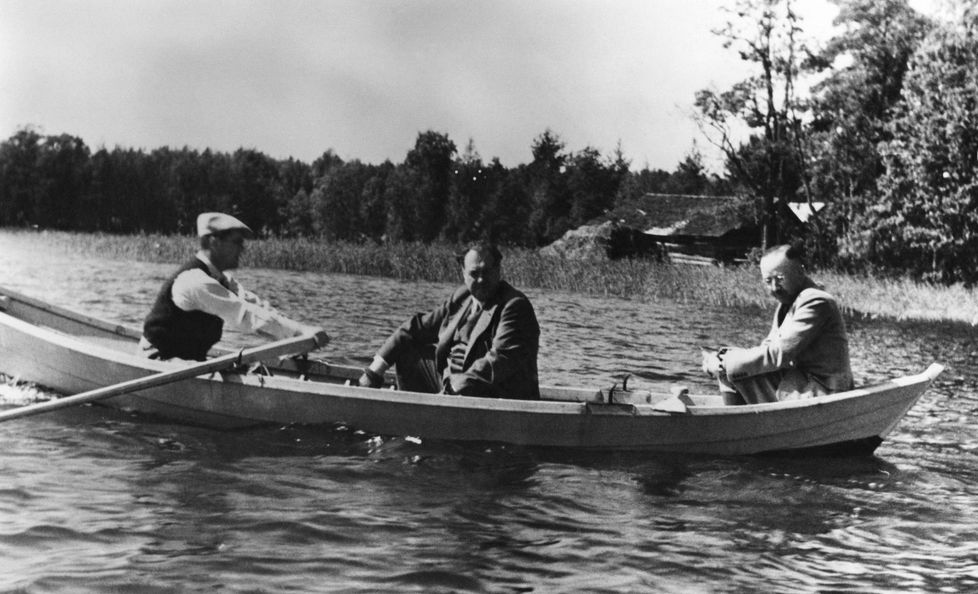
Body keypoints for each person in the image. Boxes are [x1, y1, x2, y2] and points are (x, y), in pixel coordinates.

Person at [358, 242, 540, 399]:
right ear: (463, 272)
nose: (481, 279)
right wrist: (375, 370)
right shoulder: (462, 297)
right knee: (406, 350)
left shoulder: (514, 306)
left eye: (487, 271)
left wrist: (448, 393)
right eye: (474, 273)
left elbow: (498, 362)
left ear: (498, 270)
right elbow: (416, 327)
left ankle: (427, 421)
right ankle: (415, 422)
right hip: (450, 386)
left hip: (491, 394)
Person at [139, 212, 327, 361]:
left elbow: (257, 308)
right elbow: (245, 316)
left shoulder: (223, 280)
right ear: (214, 242)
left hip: (188, 362)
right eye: (237, 242)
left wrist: (294, 336)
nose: (242, 249)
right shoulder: (195, 281)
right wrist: (299, 333)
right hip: (158, 360)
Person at [701, 243, 853, 404]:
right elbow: (767, 346)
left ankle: (735, 425)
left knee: (730, 369)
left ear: (800, 271)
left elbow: (779, 354)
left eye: (780, 279)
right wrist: (724, 358)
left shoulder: (816, 300)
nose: (774, 288)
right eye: (768, 281)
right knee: (733, 367)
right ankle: (740, 423)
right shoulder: (788, 302)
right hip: (800, 380)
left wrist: (724, 363)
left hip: (825, 390)